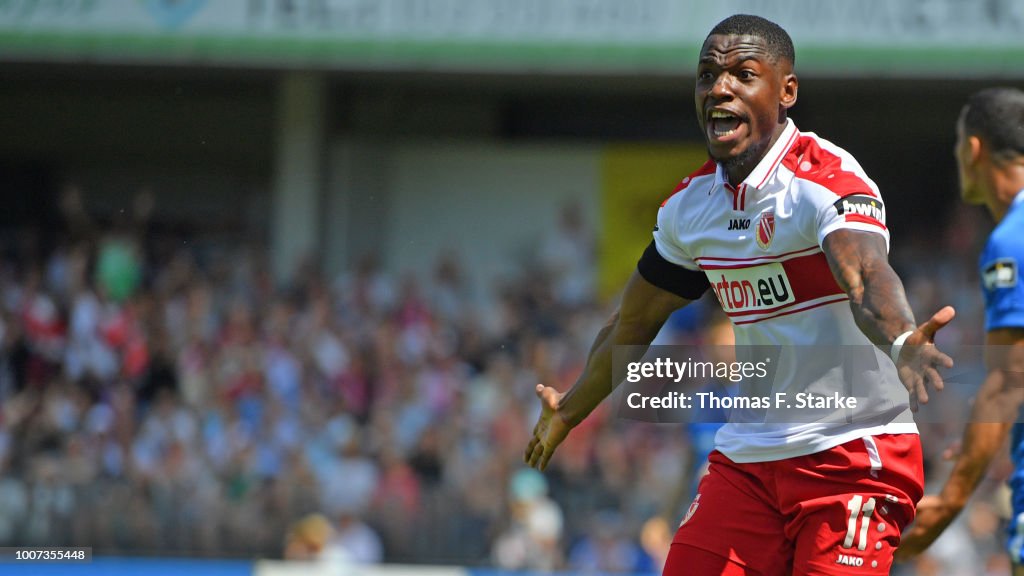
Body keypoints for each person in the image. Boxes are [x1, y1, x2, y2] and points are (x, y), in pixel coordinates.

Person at [524, 14, 956, 575]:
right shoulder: (690, 209)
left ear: (787, 91)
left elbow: (865, 276)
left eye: (742, 74)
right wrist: (570, 411)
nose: (719, 87)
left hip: (853, 453)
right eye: (707, 75)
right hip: (750, 458)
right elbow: (631, 325)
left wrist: (901, 339)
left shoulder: (825, 181)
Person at [896, 88, 1024, 572]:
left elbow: (1010, 380)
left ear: (973, 149)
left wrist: (950, 500)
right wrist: (977, 441)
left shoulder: (1013, 237)